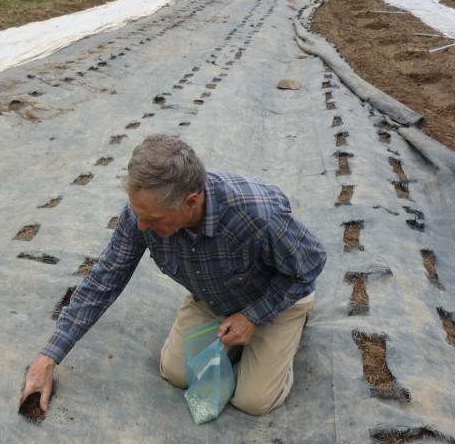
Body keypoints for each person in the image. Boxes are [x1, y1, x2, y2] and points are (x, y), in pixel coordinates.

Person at [20, 134, 327, 416]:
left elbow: (310, 265)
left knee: (253, 401)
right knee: (176, 373)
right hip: (213, 299)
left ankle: (286, 334)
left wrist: (253, 317)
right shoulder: (142, 214)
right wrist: (49, 357)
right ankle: (240, 346)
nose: (140, 226)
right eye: (138, 214)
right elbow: (105, 279)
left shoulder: (256, 214)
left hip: (274, 302)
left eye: (152, 219)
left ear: (190, 202)